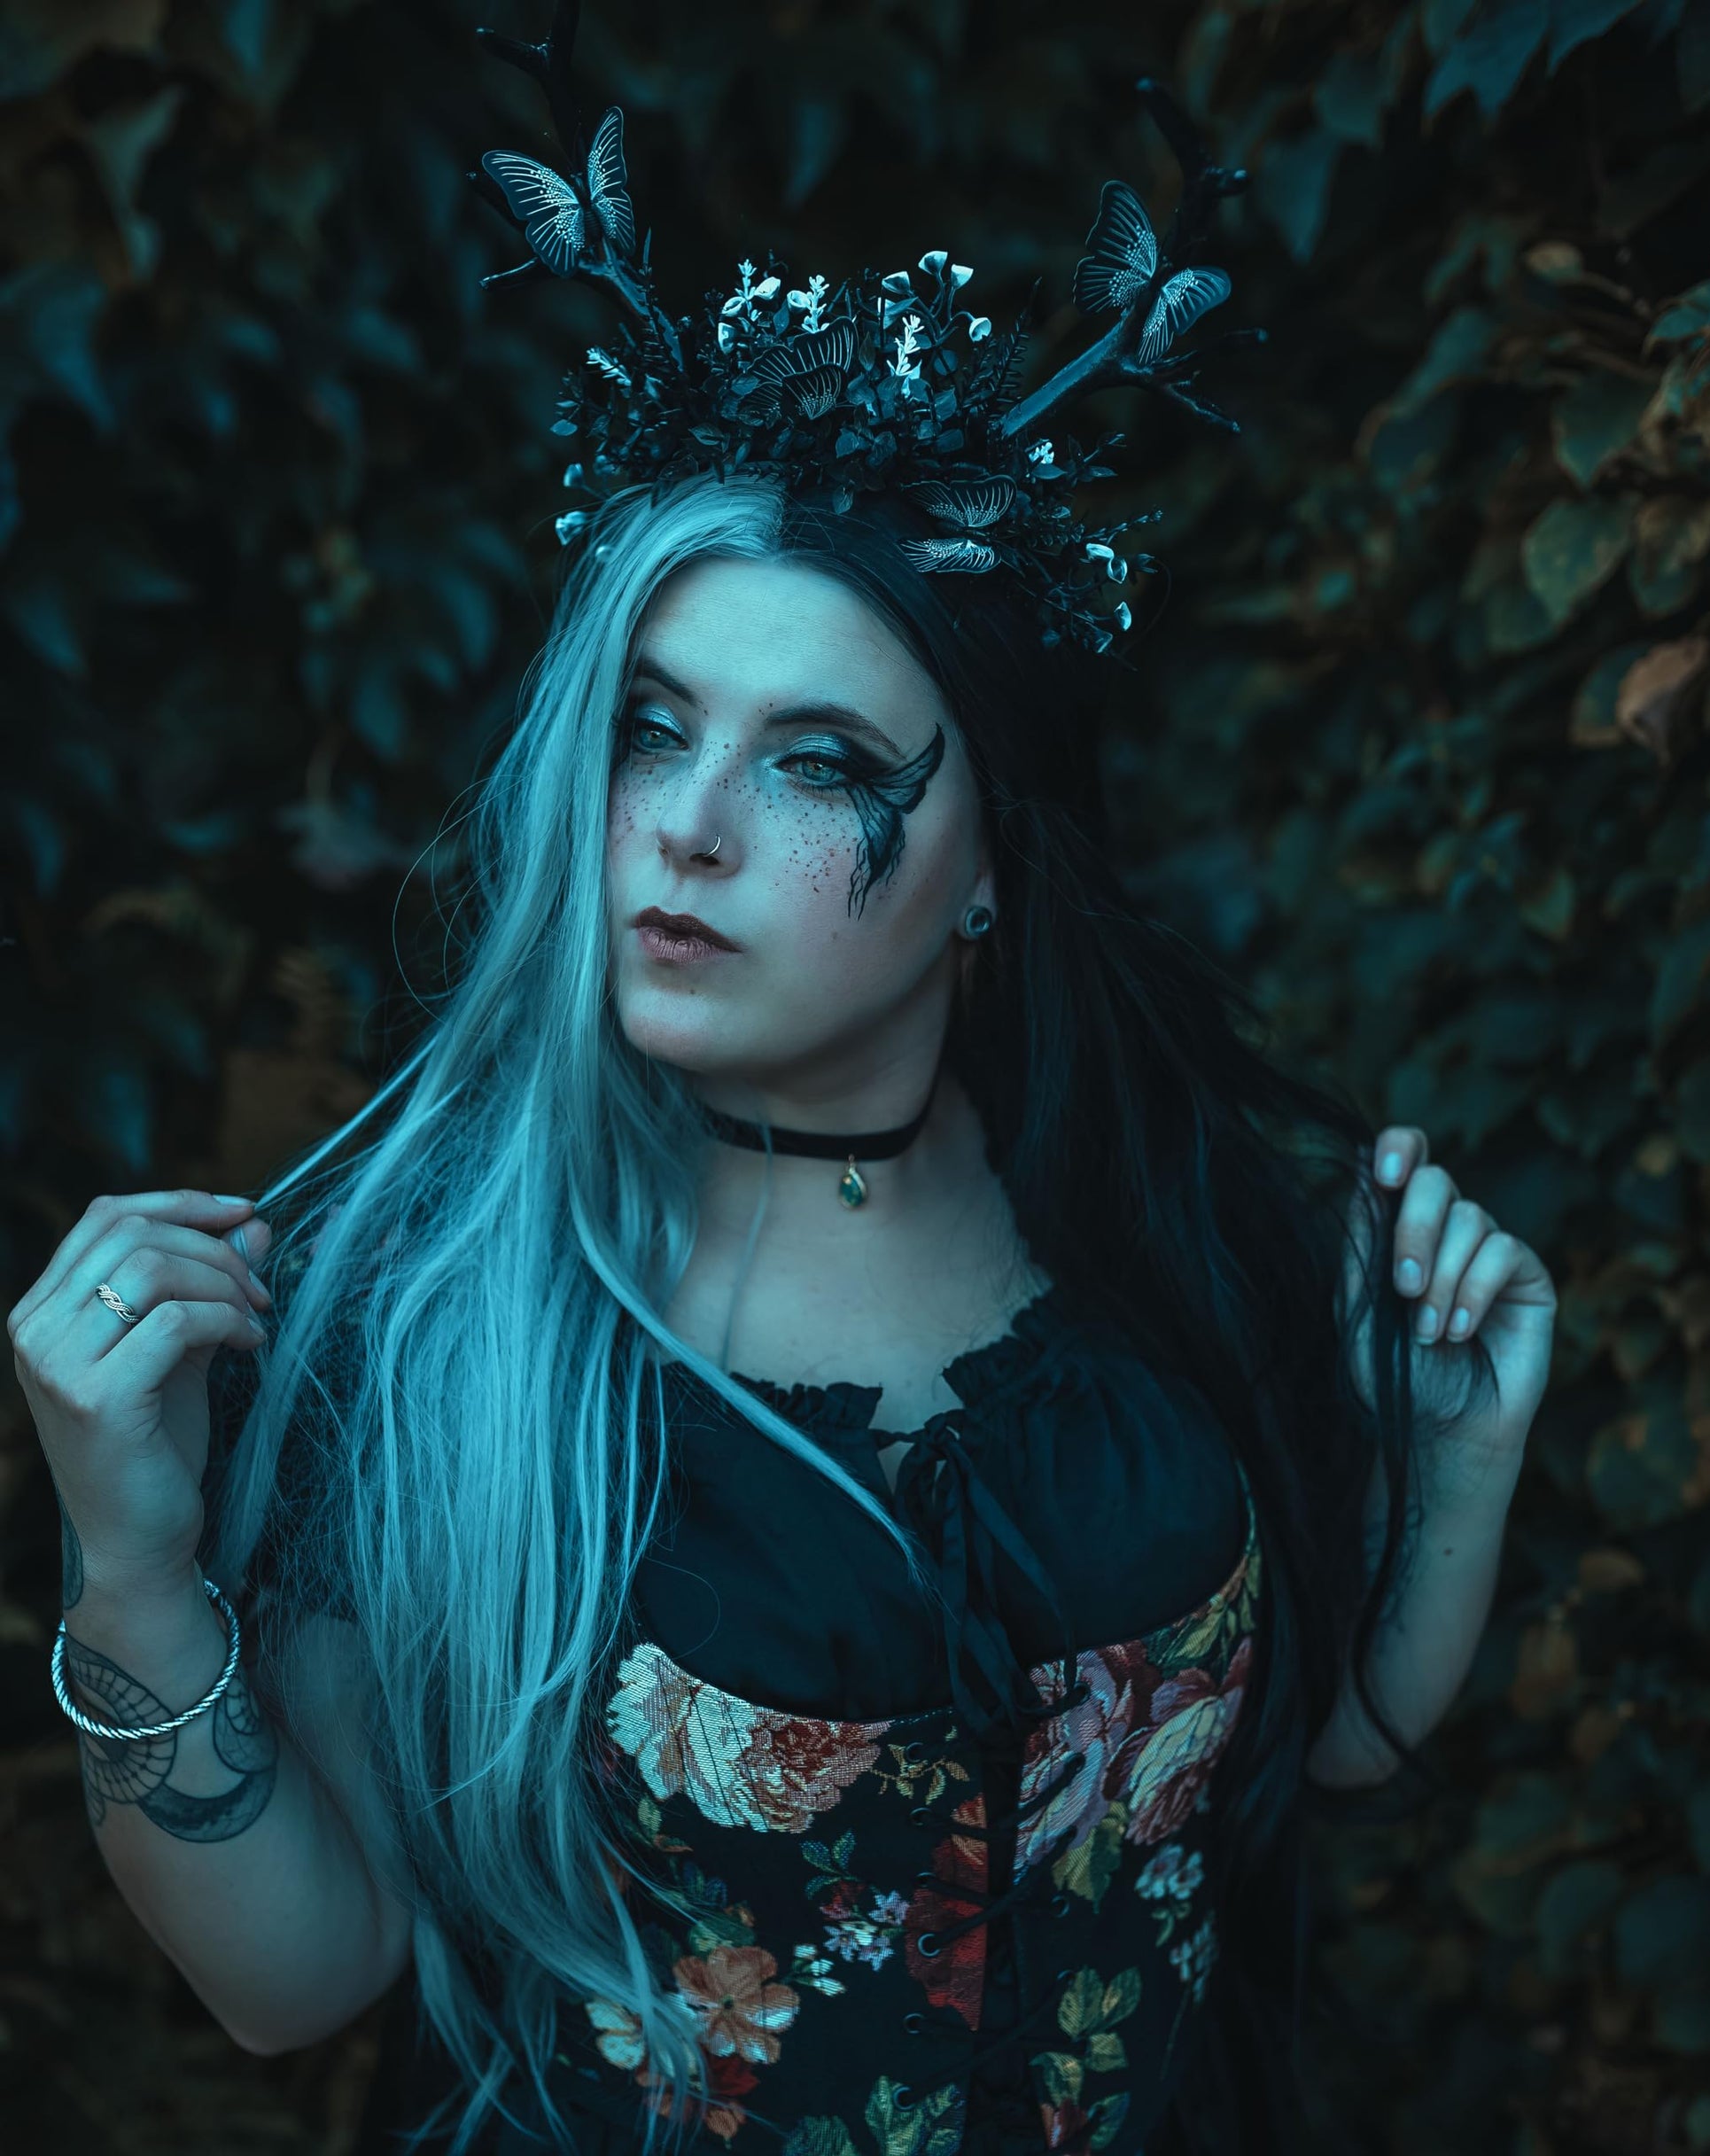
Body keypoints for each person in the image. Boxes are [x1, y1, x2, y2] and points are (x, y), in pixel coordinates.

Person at [12, 20, 1557, 2156]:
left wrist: (1452, 1459)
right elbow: (295, 1979)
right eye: (652, 727)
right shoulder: (437, 1312)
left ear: (991, 859)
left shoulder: (1175, 1225)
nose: (687, 825)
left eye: (819, 760)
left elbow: (1314, 1751)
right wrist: (130, 1562)